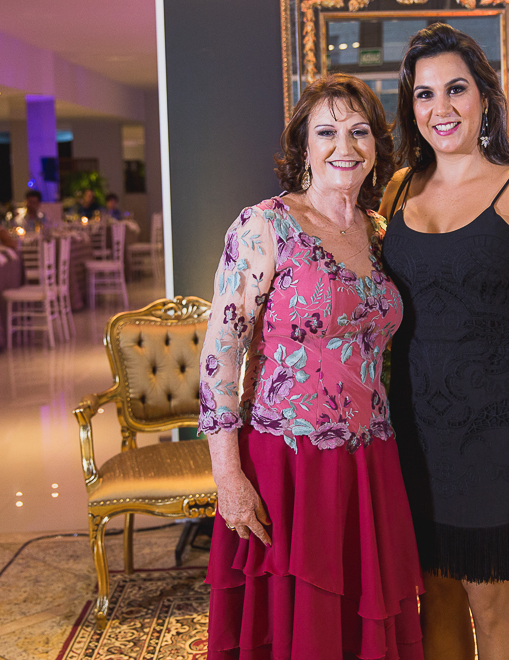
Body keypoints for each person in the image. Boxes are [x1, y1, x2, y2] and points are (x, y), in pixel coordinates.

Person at [200, 74, 423, 659]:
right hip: (288, 465)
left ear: (376, 145)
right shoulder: (264, 225)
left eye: (359, 131)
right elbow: (221, 353)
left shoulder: (381, 233)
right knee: (298, 629)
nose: (344, 146)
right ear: (302, 146)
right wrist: (227, 477)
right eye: (327, 132)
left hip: (370, 461)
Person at [379, 23, 509, 660]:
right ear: (411, 107)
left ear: (485, 97)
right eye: (424, 94)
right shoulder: (398, 190)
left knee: (490, 596)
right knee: (435, 591)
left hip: (499, 427)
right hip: (414, 429)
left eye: (456, 89)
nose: (441, 108)